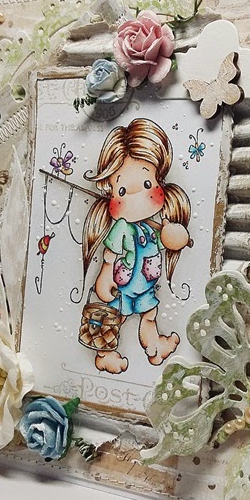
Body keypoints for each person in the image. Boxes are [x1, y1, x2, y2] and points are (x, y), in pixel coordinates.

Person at [82, 118, 191, 374]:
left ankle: (154, 346)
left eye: (147, 185)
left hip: (145, 287)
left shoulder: (152, 228)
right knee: (115, 318)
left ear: (159, 183)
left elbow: (172, 242)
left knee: (149, 315)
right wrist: (104, 280)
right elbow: (110, 256)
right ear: (110, 193)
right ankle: (104, 353)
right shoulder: (121, 229)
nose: (137, 198)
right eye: (121, 191)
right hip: (123, 288)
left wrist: (174, 233)